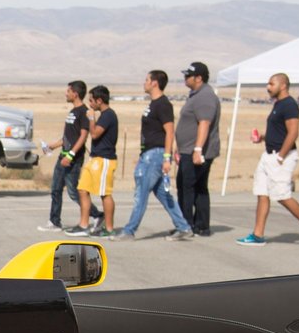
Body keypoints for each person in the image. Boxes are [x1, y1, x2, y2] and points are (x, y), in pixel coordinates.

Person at [237, 73, 299, 246]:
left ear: (283, 85)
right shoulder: (279, 104)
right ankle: (257, 235)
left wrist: (281, 155)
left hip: (281, 156)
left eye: (271, 83)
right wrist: (262, 137)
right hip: (268, 155)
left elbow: (293, 132)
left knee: (281, 195)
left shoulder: (289, 105)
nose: (268, 86)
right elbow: (279, 132)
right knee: (262, 193)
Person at [118, 70, 194, 240]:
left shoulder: (163, 104)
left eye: (146, 80)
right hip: (148, 153)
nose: (144, 82)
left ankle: (129, 230)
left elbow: (169, 132)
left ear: (154, 83)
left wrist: (167, 158)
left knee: (141, 193)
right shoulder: (153, 104)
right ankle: (183, 226)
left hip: (156, 154)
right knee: (163, 194)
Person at [173, 62, 221, 236]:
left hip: (196, 152)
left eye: (189, 75)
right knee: (198, 187)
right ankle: (200, 225)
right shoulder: (196, 95)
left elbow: (204, 123)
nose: (185, 78)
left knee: (188, 187)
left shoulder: (205, 96)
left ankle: (186, 225)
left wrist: (198, 149)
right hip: (188, 150)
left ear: (199, 78)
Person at [39, 81, 93, 230]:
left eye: (68, 91)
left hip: (72, 159)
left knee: (74, 192)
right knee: (55, 189)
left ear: (75, 94)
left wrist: (71, 155)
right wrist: (52, 146)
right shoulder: (72, 113)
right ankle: (54, 221)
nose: (66, 93)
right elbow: (68, 137)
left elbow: (83, 136)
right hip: (63, 156)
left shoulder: (84, 112)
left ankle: (97, 215)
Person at [76, 85, 119, 234]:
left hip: (105, 159)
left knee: (104, 193)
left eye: (91, 100)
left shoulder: (108, 115)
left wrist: (91, 118)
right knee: (82, 188)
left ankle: (109, 228)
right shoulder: (104, 115)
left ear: (99, 101)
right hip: (95, 158)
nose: (90, 104)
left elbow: (94, 134)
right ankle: (83, 225)